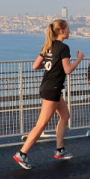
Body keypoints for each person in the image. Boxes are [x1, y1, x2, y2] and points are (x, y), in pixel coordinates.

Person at [13, 19, 84, 169]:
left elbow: (35, 66)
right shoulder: (64, 48)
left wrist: (48, 65)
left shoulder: (48, 45)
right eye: (68, 29)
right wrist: (79, 59)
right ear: (61, 31)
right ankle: (22, 153)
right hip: (53, 88)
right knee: (41, 124)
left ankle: (60, 150)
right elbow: (67, 70)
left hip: (48, 86)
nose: (69, 31)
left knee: (65, 116)